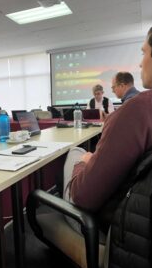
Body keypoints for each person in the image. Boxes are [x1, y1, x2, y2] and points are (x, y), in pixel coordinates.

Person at [63, 27, 152, 235]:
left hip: (113, 226)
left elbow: (84, 197)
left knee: (75, 153)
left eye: (143, 52)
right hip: (137, 219)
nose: (140, 62)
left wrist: (82, 165)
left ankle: (58, 203)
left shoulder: (137, 109)